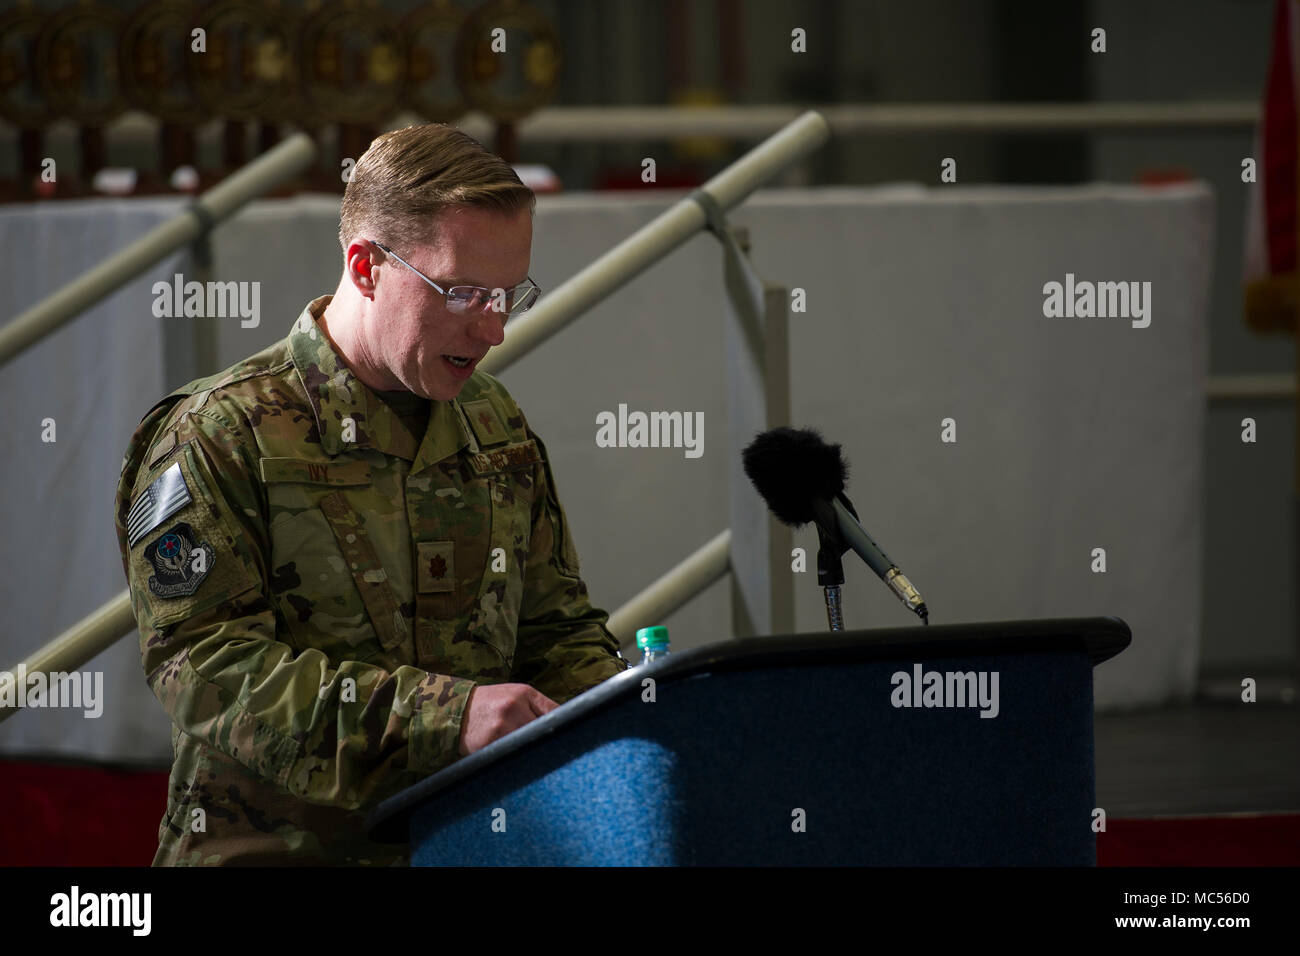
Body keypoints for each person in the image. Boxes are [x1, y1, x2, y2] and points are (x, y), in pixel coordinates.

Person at [113, 124, 629, 866]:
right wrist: (446, 719)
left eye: (508, 294)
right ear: (366, 266)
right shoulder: (218, 435)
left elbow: (555, 629)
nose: (495, 328)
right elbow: (206, 670)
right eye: (461, 292)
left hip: (464, 847)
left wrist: (629, 714)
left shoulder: (492, 421)